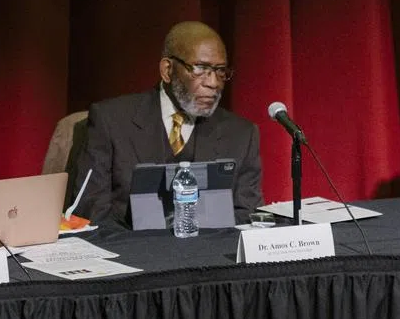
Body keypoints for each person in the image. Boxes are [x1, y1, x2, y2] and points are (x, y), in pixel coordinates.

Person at [72, 21, 262, 227]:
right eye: (200, 69)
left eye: (220, 71)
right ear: (167, 70)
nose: (213, 83)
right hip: (129, 251)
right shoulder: (111, 120)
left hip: (209, 253)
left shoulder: (241, 134)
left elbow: (246, 215)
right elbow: (91, 211)